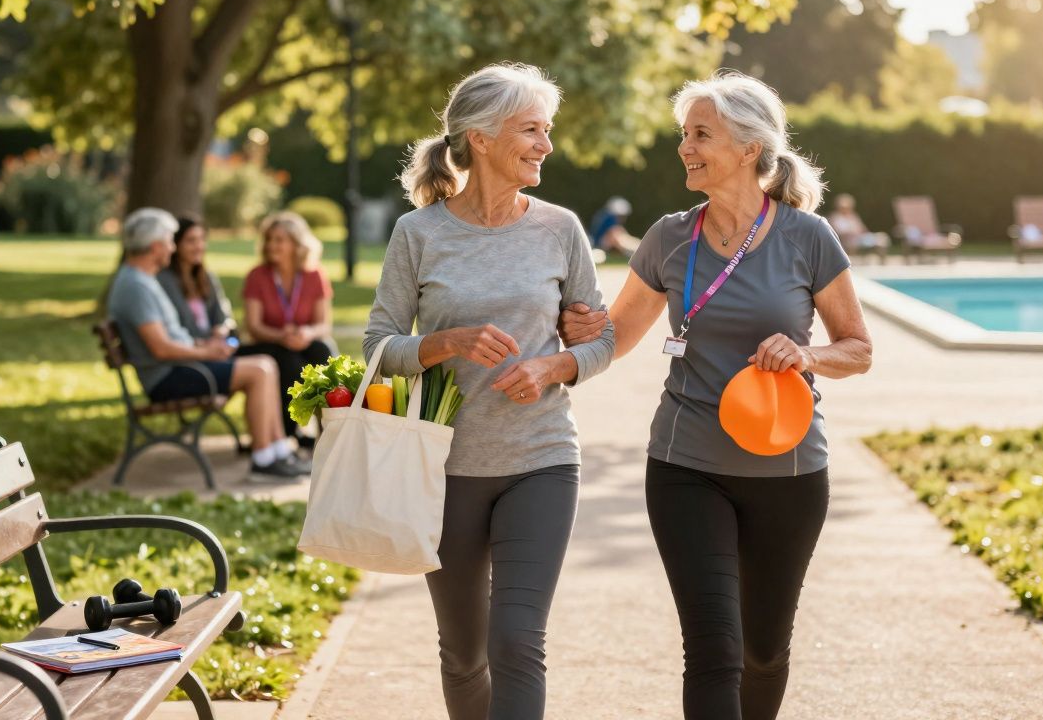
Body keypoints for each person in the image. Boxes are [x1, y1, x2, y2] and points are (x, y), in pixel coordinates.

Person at [559, 71, 872, 720]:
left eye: (701, 134)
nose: (685, 147)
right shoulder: (671, 237)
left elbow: (857, 348)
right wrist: (562, 349)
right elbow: (616, 336)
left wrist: (807, 353)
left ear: (749, 148)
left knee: (763, 651)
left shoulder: (807, 237)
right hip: (685, 465)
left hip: (787, 470)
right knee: (713, 650)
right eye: (683, 134)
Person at [364, 63, 615, 720]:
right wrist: (444, 343)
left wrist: (551, 368)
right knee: (463, 652)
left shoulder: (561, 229)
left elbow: (600, 339)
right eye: (532, 129)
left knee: (516, 640)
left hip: (542, 458)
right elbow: (377, 348)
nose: (546, 145)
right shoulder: (418, 234)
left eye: (546, 130)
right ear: (480, 137)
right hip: (444, 469)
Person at [106, 207, 310, 478]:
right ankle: (264, 459)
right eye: (169, 240)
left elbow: (169, 340)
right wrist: (206, 351)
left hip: (183, 367)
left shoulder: (142, 280)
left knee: (266, 364)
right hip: (169, 377)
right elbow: (160, 348)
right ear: (155, 247)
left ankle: (277, 451)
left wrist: (205, 347)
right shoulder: (136, 286)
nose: (172, 246)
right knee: (260, 370)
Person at [240, 211, 337, 448]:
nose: (272, 245)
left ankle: (329, 431)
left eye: (279, 240)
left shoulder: (314, 275)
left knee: (322, 350)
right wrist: (282, 336)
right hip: (268, 343)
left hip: (302, 339)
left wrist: (306, 334)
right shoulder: (257, 275)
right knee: (289, 362)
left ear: (297, 244)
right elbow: (253, 326)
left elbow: (323, 324)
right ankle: (283, 434)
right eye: (269, 239)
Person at [156, 215, 237, 341]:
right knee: (264, 360)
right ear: (176, 244)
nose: (199, 246)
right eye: (191, 241)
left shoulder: (207, 277)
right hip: (192, 352)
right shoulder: (165, 281)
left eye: (202, 239)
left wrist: (222, 329)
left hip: (216, 347)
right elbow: (176, 329)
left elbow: (222, 316)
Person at [826, 193, 890, 261]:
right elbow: (835, 232)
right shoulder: (834, 217)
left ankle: (882, 262)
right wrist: (850, 233)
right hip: (848, 240)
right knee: (851, 242)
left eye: (847, 207)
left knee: (882, 237)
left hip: (861, 238)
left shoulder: (853, 216)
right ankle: (850, 262)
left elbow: (863, 229)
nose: (845, 209)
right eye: (843, 207)